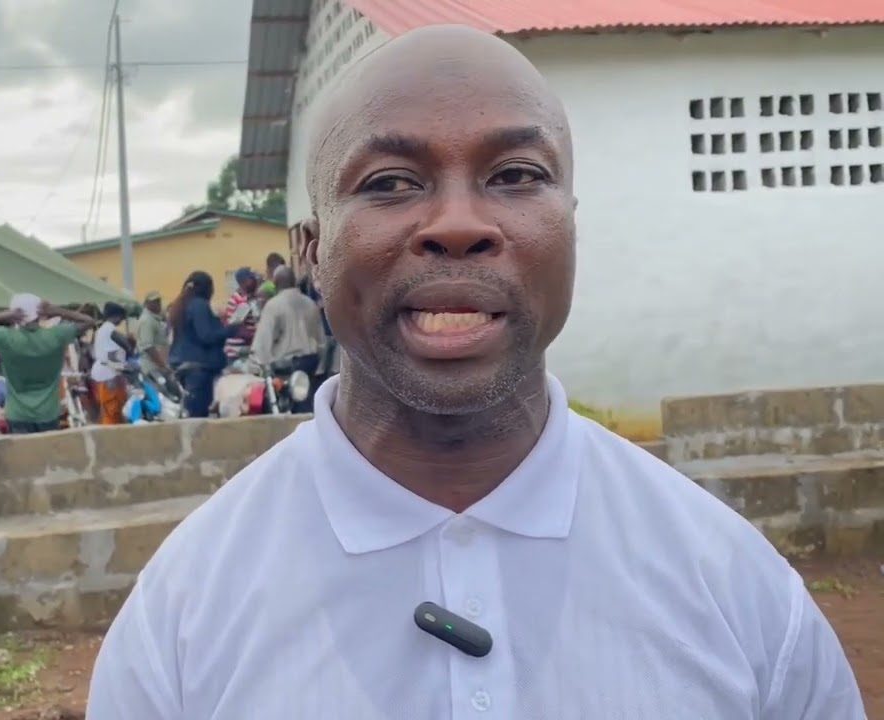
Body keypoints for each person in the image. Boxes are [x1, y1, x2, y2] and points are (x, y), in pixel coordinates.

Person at [88, 25, 863, 718]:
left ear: (570, 228)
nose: (458, 225)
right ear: (311, 250)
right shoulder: (183, 619)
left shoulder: (738, 589)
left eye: (516, 175)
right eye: (390, 182)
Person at [0, 300, 95, 435]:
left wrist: (5, 315)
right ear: (39, 315)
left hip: (18, 414)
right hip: (48, 414)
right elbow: (89, 321)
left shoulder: (6, 337)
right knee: (47, 448)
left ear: (15, 316)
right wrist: (57, 311)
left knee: (22, 449)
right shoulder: (56, 335)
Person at [168, 271, 244, 418]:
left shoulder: (182, 306)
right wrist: (231, 330)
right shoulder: (199, 305)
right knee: (199, 417)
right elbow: (206, 335)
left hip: (186, 367)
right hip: (199, 369)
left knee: (192, 414)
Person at [249, 266, 324, 413]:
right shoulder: (310, 304)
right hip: (311, 364)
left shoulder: (273, 306)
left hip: (286, 369)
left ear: (275, 284)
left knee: (285, 411)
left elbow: (262, 344)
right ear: (294, 281)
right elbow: (321, 341)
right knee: (309, 410)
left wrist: (259, 367)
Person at [91, 302, 133, 425]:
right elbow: (112, 357)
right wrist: (126, 368)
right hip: (109, 375)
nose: (121, 321)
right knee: (112, 410)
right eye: (121, 318)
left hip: (102, 373)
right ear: (117, 316)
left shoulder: (102, 329)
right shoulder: (110, 330)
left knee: (108, 410)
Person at [221, 267, 258, 361]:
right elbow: (235, 326)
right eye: (251, 279)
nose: (254, 281)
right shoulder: (238, 299)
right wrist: (254, 336)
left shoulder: (252, 298)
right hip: (237, 350)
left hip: (247, 349)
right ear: (243, 282)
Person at [135, 291, 172, 381]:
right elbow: (148, 347)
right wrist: (163, 365)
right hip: (152, 368)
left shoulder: (154, 319)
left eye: (159, 301)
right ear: (147, 304)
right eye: (154, 302)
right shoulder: (147, 320)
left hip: (157, 367)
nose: (158, 304)